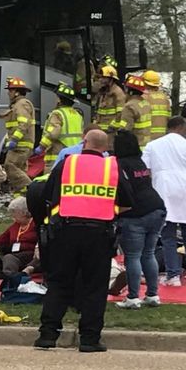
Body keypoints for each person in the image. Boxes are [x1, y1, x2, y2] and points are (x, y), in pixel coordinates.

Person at [35, 129, 134, 352]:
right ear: (105, 147)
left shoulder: (67, 163)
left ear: (84, 143)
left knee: (59, 283)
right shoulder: (113, 167)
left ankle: (47, 335)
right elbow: (128, 201)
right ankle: (89, 339)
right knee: (94, 286)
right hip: (99, 233)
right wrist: (108, 210)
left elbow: (47, 196)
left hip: (66, 231)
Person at [143, 116, 186, 286]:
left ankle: (173, 275)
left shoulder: (153, 146)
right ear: (181, 127)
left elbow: (145, 171)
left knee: (168, 235)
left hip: (163, 189)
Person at [112, 131, 165, 309]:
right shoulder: (139, 162)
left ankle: (133, 297)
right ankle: (152, 294)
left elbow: (123, 189)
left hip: (135, 214)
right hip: (157, 208)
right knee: (148, 253)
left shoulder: (119, 165)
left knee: (133, 256)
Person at [34, 82, 83, 173]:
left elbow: (53, 133)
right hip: (75, 153)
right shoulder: (77, 114)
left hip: (58, 154)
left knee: (51, 180)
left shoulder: (57, 114)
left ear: (59, 100)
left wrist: (42, 146)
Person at [0, 77, 35, 192]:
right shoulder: (17, 105)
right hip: (19, 145)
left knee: (10, 166)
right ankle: (22, 197)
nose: (8, 93)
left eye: (10, 90)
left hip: (20, 145)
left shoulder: (22, 104)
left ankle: (33, 190)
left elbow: (23, 124)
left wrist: (14, 139)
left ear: (17, 92)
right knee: (20, 170)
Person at [110, 74, 151, 151]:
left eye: (126, 88)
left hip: (134, 147)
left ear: (130, 91)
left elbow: (125, 130)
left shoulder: (130, 106)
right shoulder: (146, 104)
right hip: (146, 145)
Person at [93, 64, 126, 149]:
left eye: (104, 78)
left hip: (111, 134)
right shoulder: (103, 93)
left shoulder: (118, 93)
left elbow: (121, 113)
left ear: (111, 79)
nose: (101, 80)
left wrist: (112, 127)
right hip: (101, 132)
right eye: (101, 77)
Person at [142, 70, 172, 141]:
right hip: (163, 137)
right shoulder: (165, 98)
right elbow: (169, 117)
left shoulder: (144, 97)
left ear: (145, 83)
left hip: (147, 137)